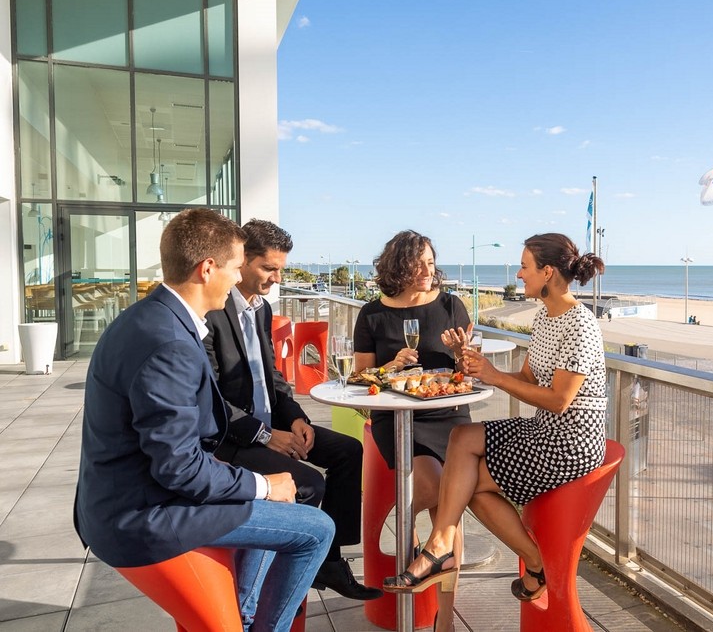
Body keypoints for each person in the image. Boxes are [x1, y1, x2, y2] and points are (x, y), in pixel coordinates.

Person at [74, 208, 334, 630]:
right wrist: (265, 486)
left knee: (284, 500)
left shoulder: (149, 318)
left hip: (128, 496)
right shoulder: (170, 343)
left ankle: (244, 612)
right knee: (316, 529)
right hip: (145, 514)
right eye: (235, 268)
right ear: (207, 269)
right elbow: (179, 468)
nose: (236, 280)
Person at [383, 233, 607, 623]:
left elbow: (559, 399)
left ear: (547, 272)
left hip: (570, 442)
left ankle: (446, 549)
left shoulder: (579, 324)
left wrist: (495, 378)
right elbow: (525, 376)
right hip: (545, 430)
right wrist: (479, 370)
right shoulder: (546, 315)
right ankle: (470, 551)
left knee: (465, 480)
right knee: (461, 440)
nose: (519, 275)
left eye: (525, 266)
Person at [203, 219, 380, 601]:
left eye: (280, 269)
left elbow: (274, 380)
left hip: (272, 427)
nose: (276, 278)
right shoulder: (212, 312)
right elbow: (211, 398)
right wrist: (266, 436)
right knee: (308, 483)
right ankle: (277, 582)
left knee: (348, 451)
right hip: (234, 438)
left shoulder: (262, 310)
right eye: (269, 268)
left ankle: (329, 562)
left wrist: (297, 419)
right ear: (242, 260)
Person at [353, 230, 474, 630]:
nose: (428, 270)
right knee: (444, 494)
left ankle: (444, 616)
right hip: (396, 418)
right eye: (418, 263)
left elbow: (466, 371)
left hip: (448, 413)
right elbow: (359, 375)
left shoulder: (452, 305)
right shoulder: (372, 314)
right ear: (398, 266)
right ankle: (419, 549)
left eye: (431, 262)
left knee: (446, 505)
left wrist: (461, 356)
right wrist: (391, 368)